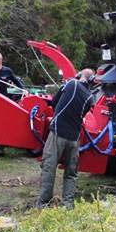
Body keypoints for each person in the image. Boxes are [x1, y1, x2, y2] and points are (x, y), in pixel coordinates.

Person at [37, 68, 96, 210]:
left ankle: (44, 204)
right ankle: (67, 205)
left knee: (49, 168)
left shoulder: (71, 84)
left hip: (58, 133)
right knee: (71, 173)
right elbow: (80, 115)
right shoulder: (90, 98)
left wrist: (55, 116)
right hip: (74, 138)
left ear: (80, 76)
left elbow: (54, 102)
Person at [0, 51, 26, 157]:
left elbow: (16, 81)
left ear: (0, 61)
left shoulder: (7, 71)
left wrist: (23, 89)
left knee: (2, 123)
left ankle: (1, 147)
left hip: (4, 101)